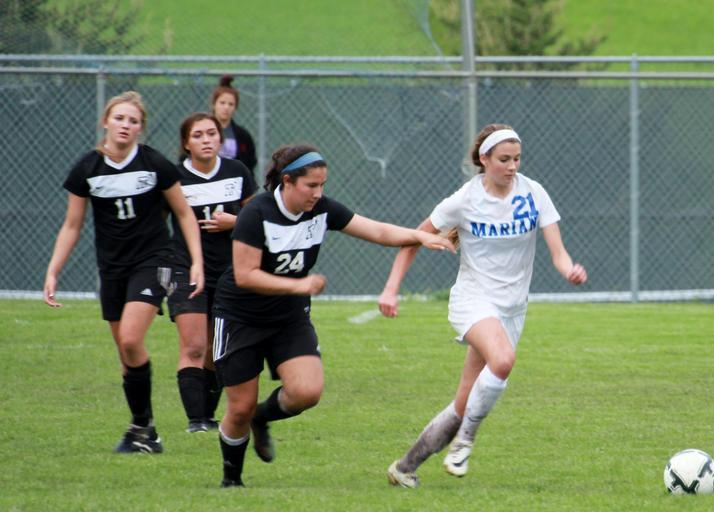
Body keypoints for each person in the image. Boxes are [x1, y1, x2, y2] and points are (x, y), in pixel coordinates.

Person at [212, 143, 456, 488]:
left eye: (322, 185)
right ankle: (231, 481)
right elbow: (245, 275)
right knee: (239, 407)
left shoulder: (322, 209)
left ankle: (261, 418)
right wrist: (299, 285)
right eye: (311, 185)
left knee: (307, 392)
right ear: (287, 181)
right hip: (241, 316)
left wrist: (420, 235)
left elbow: (378, 232)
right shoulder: (256, 213)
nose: (318, 193)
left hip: (288, 317)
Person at [379, 123, 588, 488]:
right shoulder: (464, 200)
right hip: (473, 300)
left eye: (517, 159)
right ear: (484, 159)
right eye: (504, 159)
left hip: (511, 310)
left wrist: (569, 269)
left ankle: (405, 466)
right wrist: (390, 289)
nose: (512, 166)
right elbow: (413, 239)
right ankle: (465, 443)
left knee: (464, 404)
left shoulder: (533, 193)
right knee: (503, 361)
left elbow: (558, 252)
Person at [43, 91, 205, 454]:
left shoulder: (154, 163)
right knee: (126, 355)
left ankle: (142, 430)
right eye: (119, 118)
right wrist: (53, 271)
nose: (125, 125)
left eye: (133, 121)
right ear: (106, 121)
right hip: (112, 269)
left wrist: (196, 261)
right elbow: (72, 225)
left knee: (131, 339)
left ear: (140, 128)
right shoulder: (87, 168)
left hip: (153, 260)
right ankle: (144, 430)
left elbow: (183, 213)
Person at [167, 112, 258, 433]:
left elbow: (258, 217)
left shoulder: (237, 172)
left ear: (220, 139)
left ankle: (207, 416)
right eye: (198, 135)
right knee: (193, 346)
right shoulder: (174, 178)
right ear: (186, 143)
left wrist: (234, 222)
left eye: (211, 134)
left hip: (230, 273)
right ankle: (196, 422)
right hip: (187, 269)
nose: (206, 140)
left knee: (215, 350)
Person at [210, 75, 257, 172]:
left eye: (231, 104)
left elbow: (250, 163)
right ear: (214, 104)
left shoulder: (243, 135)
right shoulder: (202, 131)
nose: (226, 107)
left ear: (235, 107)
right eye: (222, 103)